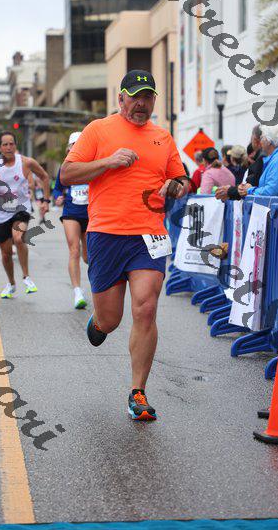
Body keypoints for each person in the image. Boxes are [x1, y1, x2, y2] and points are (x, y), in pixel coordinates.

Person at [60, 69, 189, 421]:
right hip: (106, 234)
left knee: (146, 309)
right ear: (121, 98)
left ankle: (138, 392)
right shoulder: (98, 130)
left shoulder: (163, 137)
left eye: (148, 97)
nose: (141, 103)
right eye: (135, 97)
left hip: (149, 235)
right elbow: (67, 174)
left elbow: (181, 180)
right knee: (111, 319)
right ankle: (100, 322)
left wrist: (176, 187)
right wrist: (108, 161)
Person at [0, 131, 51, 298]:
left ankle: (26, 277)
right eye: (5, 144)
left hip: (21, 208)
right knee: (6, 253)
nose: (8, 147)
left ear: (15, 145)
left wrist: (46, 200)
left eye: (11, 144)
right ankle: (11, 283)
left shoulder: (26, 162)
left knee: (19, 238)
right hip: (1, 213)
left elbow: (45, 177)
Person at [53, 131, 89, 310]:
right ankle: (77, 292)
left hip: (90, 214)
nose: (76, 148)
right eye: (73, 145)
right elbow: (57, 189)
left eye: (79, 144)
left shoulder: (91, 165)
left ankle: (97, 288)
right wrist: (58, 197)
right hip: (71, 212)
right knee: (74, 250)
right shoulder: (65, 168)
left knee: (88, 257)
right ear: (69, 148)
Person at [237, 127, 278, 205]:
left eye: (262, 138)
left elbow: (273, 190)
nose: (260, 141)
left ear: (269, 141)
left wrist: (250, 190)